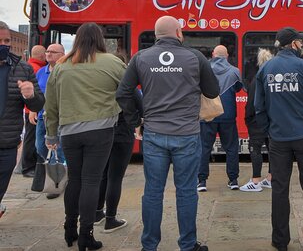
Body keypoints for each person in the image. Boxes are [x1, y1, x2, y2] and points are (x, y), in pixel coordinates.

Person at [116, 16, 219, 251]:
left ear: (156, 34)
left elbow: (123, 93)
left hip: (154, 134)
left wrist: (136, 120)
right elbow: (212, 91)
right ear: (179, 32)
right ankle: (188, 244)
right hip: (187, 134)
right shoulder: (195, 57)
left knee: (152, 192)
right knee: (186, 191)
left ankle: (149, 246)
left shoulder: (141, 58)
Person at [45, 23, 126, 250]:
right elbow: (127, 89)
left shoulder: (61, 66)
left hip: (70, 131)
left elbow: (50, 104)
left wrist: (51, 134)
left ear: (77, 39)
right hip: (101, 130)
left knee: (75, 180)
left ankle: (69, 228)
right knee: (92, 181)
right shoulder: (112, 62)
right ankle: (86, 235)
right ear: (100, 38)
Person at [254, 27, 303, 251]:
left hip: (278, 138)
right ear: (294, 43)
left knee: (279, 189)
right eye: (300, 43)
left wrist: (269, 129)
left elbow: (259, 106)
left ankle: (280, 241)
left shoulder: (265, 68)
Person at [0, 21, 44, 220]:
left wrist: (30, 95)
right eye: (0, 40)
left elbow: (38, 105)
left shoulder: (23, 68)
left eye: (7, 40)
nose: (4, 44)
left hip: (7, 143)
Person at [95, 52, 141, 233]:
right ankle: (110, 219)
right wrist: (137, 121)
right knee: (115, 177)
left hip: (102, 130)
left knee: (102, 174)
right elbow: (140, 103)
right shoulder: (127, 83)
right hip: (122, 132)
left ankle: (96, 212)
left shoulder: (99, 83)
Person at [198, 45, 243, 192]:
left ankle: (202, 181)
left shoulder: (204, 70)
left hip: (208, 114)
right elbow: (237, 88)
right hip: (228, 115)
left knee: (204, 148)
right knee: (231, 148)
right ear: (227, 56)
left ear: (213, 54)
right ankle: (233, 180)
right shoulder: (234, 71)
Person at [35, 43, 65, 200]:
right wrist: (32, 110)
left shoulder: (65, 71)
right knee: (39, 146)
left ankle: (56, 183)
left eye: (52, 52)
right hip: (42, 116)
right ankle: (63, 172)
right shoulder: (41, 72)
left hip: (58, 117)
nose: (48, 54)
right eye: (47, 51)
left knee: (56, 150)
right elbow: (36, 93)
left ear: (62, 54)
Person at [240, 49, 273, 192]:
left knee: (255, 149)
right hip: (272, 119)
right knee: (272, 149)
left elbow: (253, 102)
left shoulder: (257, 78)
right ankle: (271, 178)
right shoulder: (272, 77)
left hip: (258, 120)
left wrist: (248, 118)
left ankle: (256, 180)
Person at [20, 45, 46, 178]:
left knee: (30, 138)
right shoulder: (36, 69)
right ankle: (27, 167)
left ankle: (27, 165)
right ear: (42, 56)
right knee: (31, 139)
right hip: (32, 110)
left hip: (29, 109)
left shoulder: (29, 66)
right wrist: (32, 109)